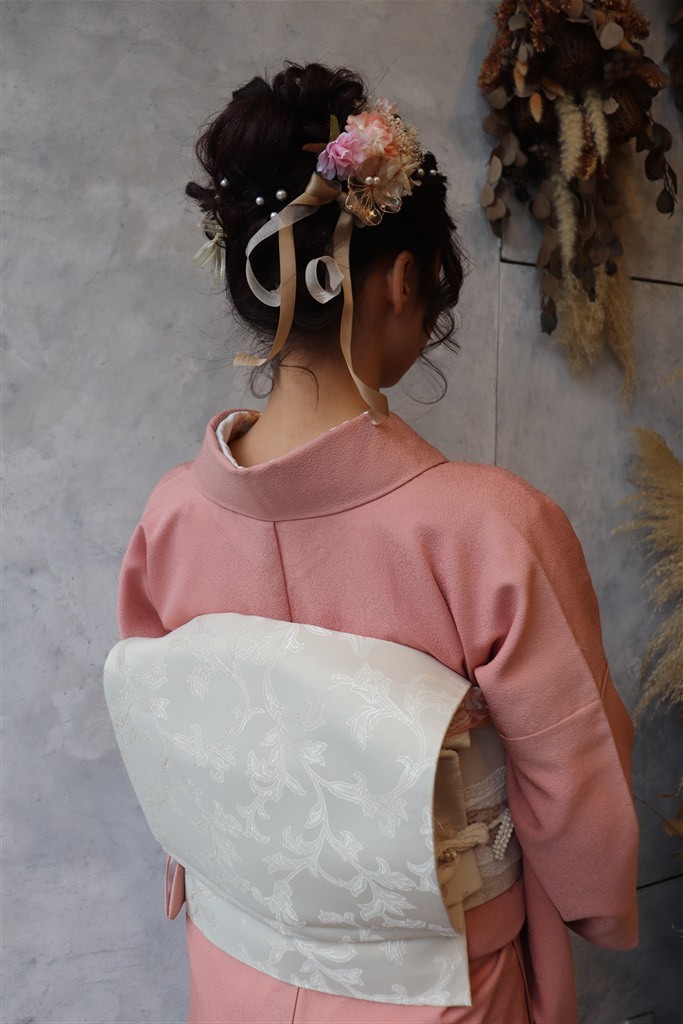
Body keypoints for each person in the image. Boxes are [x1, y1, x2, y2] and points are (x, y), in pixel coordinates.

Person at [111, 61, 639, 1024]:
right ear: (401, 282)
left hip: (231, 967)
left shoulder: (169, 517)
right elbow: (577, 788)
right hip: (438, 989)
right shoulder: (490, 528)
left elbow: (174, 738)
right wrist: (592, 902)